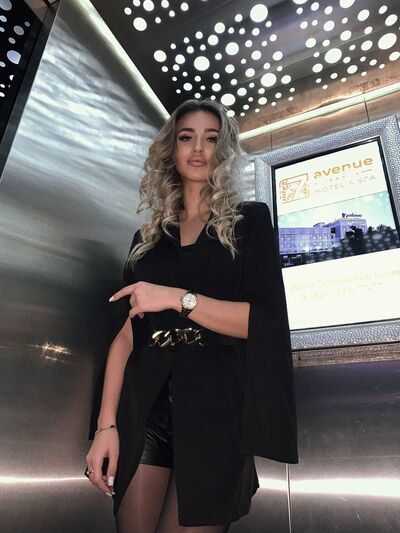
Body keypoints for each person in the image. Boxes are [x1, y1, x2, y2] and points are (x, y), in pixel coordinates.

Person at [85, 99, 298, 533]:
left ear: (225, 150)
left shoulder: (249, 222)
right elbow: (125, 337)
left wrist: (178, 298)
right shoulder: (147, 239)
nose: (198, 148)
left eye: (211, 138)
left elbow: (263, 322)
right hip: (145, 408)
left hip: (217, 409)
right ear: (172, 149)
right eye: (187, 137)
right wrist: (105, 427)